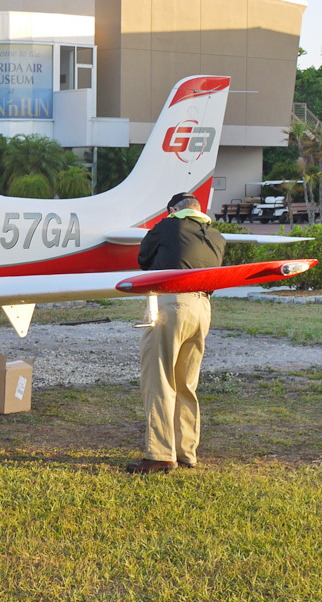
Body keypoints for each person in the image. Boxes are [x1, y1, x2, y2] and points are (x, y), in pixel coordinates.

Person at [127, 192, 226, 474]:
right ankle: (186, 452)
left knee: (160, 379)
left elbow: (144, 259)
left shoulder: (169, 224)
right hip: (203, 308)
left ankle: (159, 454)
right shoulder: (217, 237)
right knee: (186, 383)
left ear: (173, 209)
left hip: (172, 303)